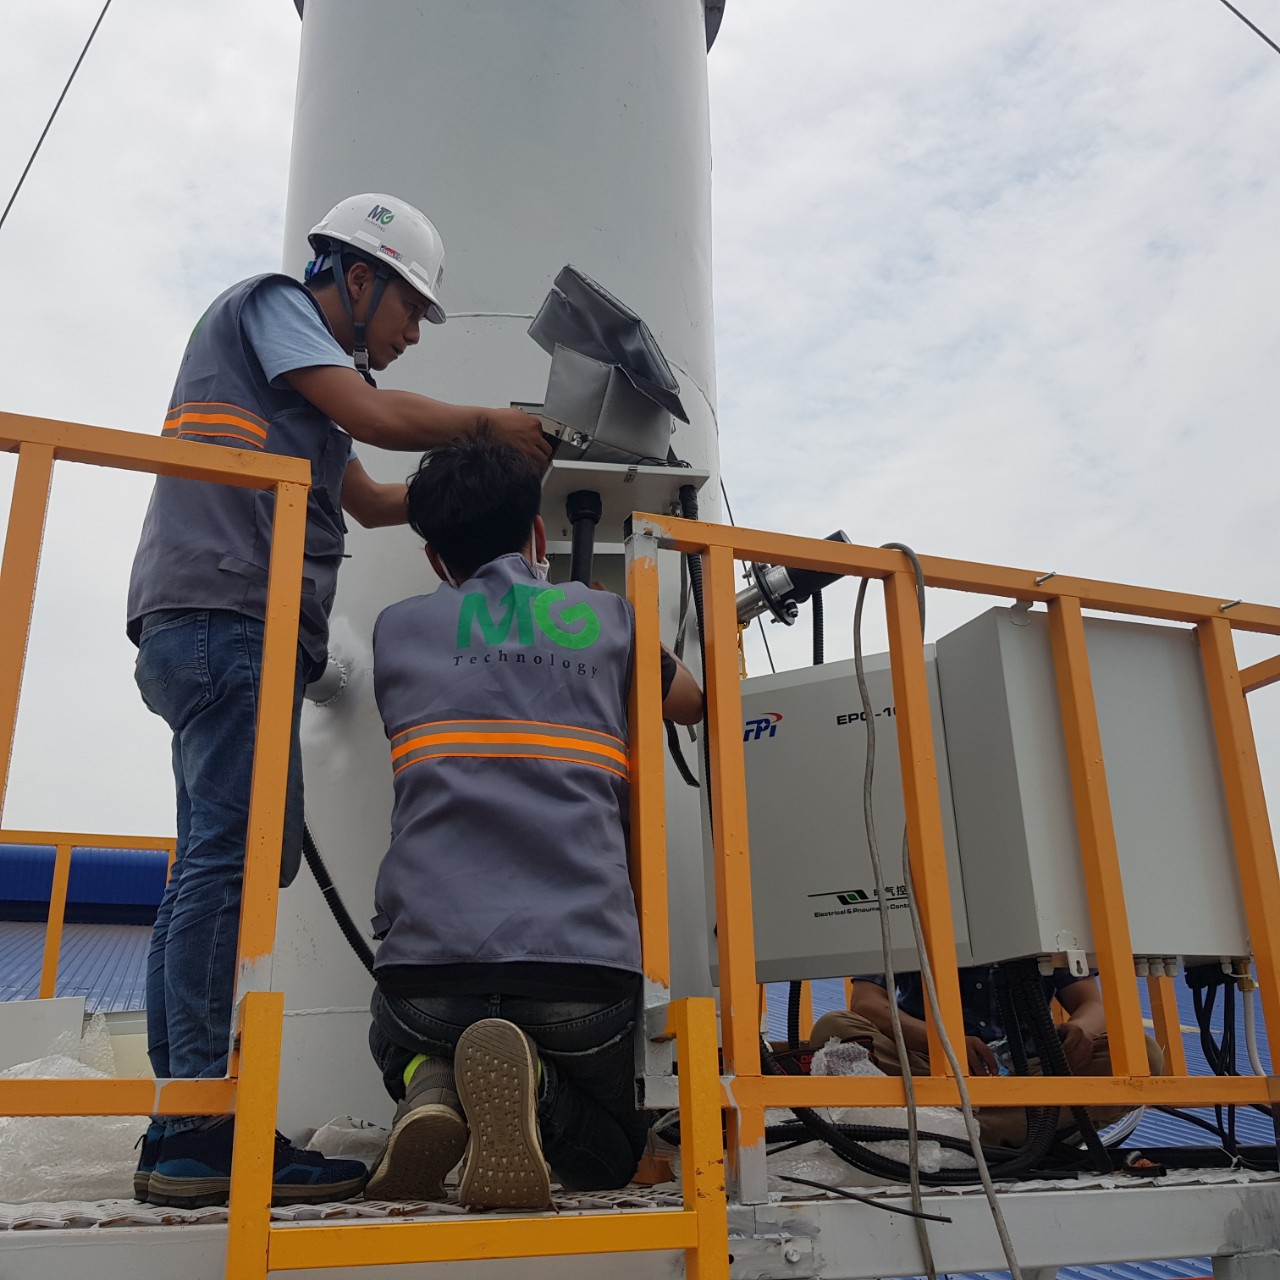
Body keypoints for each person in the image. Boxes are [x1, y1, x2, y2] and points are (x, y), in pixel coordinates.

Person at [127, 193, 551, 1210]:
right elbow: (373, 416)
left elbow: (367, 498)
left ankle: (185, 1117)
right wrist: (494, 421)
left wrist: (481, 483)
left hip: (223, 621)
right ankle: (196, 1129)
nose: (412, 335)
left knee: (223, 863)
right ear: (357, 277)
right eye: (409, 309)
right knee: (227, 865)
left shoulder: (304, 390)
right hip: (231, 613)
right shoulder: (274, 305)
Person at [363, 433, 702, 1208]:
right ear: (539, 534)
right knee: (613, 1154)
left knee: (392, 1034)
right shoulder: (608, 620)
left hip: (428, 979)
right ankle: (540, 1086)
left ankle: (430, 1081)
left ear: (435, 559)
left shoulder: (396, 628)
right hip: (579, 974)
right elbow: (691, 702)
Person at [808, 967, 1164, 1148]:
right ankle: (1014, 1130)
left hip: (1029, 1073)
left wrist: (1081, 1030)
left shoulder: (1042, 907)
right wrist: (941, 1042)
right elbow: (866, 1002)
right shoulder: (904, 904)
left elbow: (1091, 1004)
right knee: (834, 1027)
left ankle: (956, 1130)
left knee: (1140, 1053)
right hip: (928, 1067)